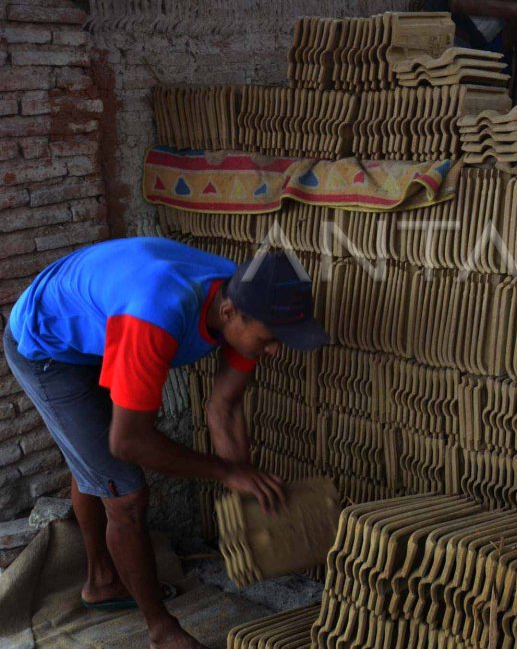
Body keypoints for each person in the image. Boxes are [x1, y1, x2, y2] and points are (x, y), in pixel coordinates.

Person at [2, 239, 328, 649]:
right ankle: (161, 630)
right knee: (126, 494)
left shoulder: (244, 296)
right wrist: (226, 471)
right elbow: (129, 442)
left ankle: (102, 581)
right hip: (46, 344)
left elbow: (223, 408)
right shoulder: (156, 315)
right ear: (229, 313)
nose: (275, 350)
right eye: (270, 339)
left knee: (95, 464)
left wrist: (248, 497)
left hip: (100, 322)